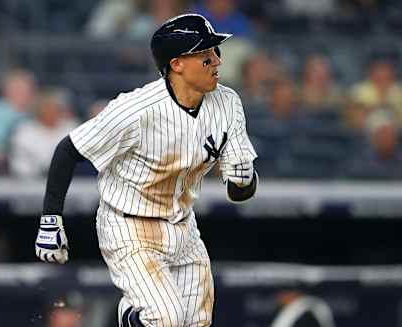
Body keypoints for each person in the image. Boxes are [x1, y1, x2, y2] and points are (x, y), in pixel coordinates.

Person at [35, 13, 258, 327]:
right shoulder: (135, 109)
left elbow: (240, 191)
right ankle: (131, 317)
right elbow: (68, 150)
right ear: (177, 64)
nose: (217, 61)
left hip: (184, 226)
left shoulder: (228, 102)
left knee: (196, 323)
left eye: (215, 52)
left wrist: (244, 180)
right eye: (205, 55)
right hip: (129, 226)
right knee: (165, 319)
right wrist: (50, 218)